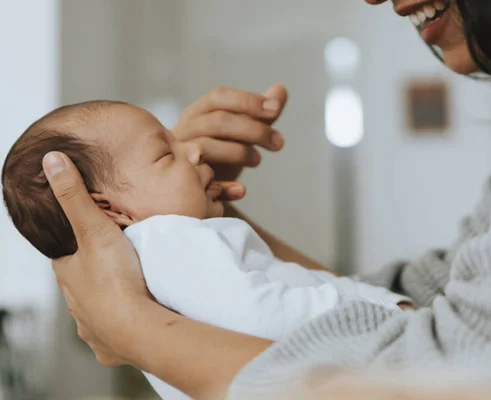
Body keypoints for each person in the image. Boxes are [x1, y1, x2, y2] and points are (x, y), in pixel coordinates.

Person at [43, 0, 491, 398]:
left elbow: (451, 368)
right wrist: (214, 210)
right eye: (163, 154)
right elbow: (423, 299)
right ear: (111, 206)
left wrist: (132, 330)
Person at [2, 100, 411, 399]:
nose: (194, 149)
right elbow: (260, 318)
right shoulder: (166, 240)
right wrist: (378, 312)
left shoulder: (156, 256)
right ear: (112, 211)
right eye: (166, 153)